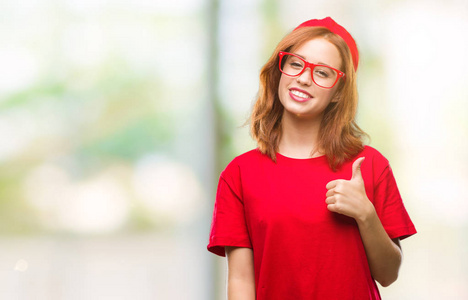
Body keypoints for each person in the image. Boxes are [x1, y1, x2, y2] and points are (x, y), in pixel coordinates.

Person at [207, 16, 416, 300]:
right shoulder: (239, 174)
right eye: (296, 63)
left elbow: (389, 274)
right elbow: (241, 282)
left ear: (338, 93)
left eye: (323, 72)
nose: (304, 78)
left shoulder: (370, 166)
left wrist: (366, 214)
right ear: (279, 71)